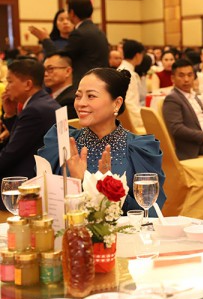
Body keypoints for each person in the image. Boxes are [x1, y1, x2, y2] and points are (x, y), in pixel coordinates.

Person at [38, 68, 167, 215]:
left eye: (91, 96)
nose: (81, 103)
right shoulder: (63, 143)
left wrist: (110, 189)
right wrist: (76, 182)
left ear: (116, 103)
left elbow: (150, 213)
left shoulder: (139, 149)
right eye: (78, 96)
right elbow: (46, 205)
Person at [29, 0, 109, 87]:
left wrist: (45, 39)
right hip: (101, 81)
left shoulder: (79, 33)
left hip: (85, 83)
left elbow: (61, 59)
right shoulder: (99, 31)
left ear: (72, 13)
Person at [0, 59, 60, 178]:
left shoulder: (34, 111)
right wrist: (10, 115)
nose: (6, 88)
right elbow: (22, 140)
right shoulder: (44, 101)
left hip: (29, 177)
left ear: (28, 84)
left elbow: (11, 154)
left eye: (10, 82)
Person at [163, 59, 203, 159]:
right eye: (181, 75)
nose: (186, 79)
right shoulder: (172, 99)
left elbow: (198, 122)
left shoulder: (193, 95)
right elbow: (177, 129)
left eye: (190, 75)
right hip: (196, 144)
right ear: (173, 78)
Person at [118, 39, 146, 134]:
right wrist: (142, 121)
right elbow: (130, 103)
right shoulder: (129, 74)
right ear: (138, 55)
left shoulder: (120, 70)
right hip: (131, 123)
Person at [43, 52, 77, 119]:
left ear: (68, 71)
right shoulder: (48, 97)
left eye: (50, 69)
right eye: (43, 70)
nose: (45, 74)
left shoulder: (71, 101)